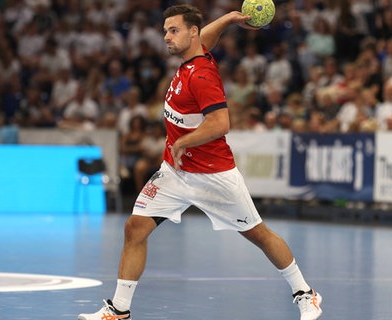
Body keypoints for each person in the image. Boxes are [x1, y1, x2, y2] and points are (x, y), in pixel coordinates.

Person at [77, 5, 323, 320]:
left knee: (258, 234)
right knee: (135, 228)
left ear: (190, 33)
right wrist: (230, 19)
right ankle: (119, 310)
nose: (166, 36)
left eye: (173, 30)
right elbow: (204, 36)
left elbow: (220, 123)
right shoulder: (191, 58)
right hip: (175, 172)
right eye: (165, 30)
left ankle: (306, 294)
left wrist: (183, 141)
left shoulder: (203, 74)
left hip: (213, 175)